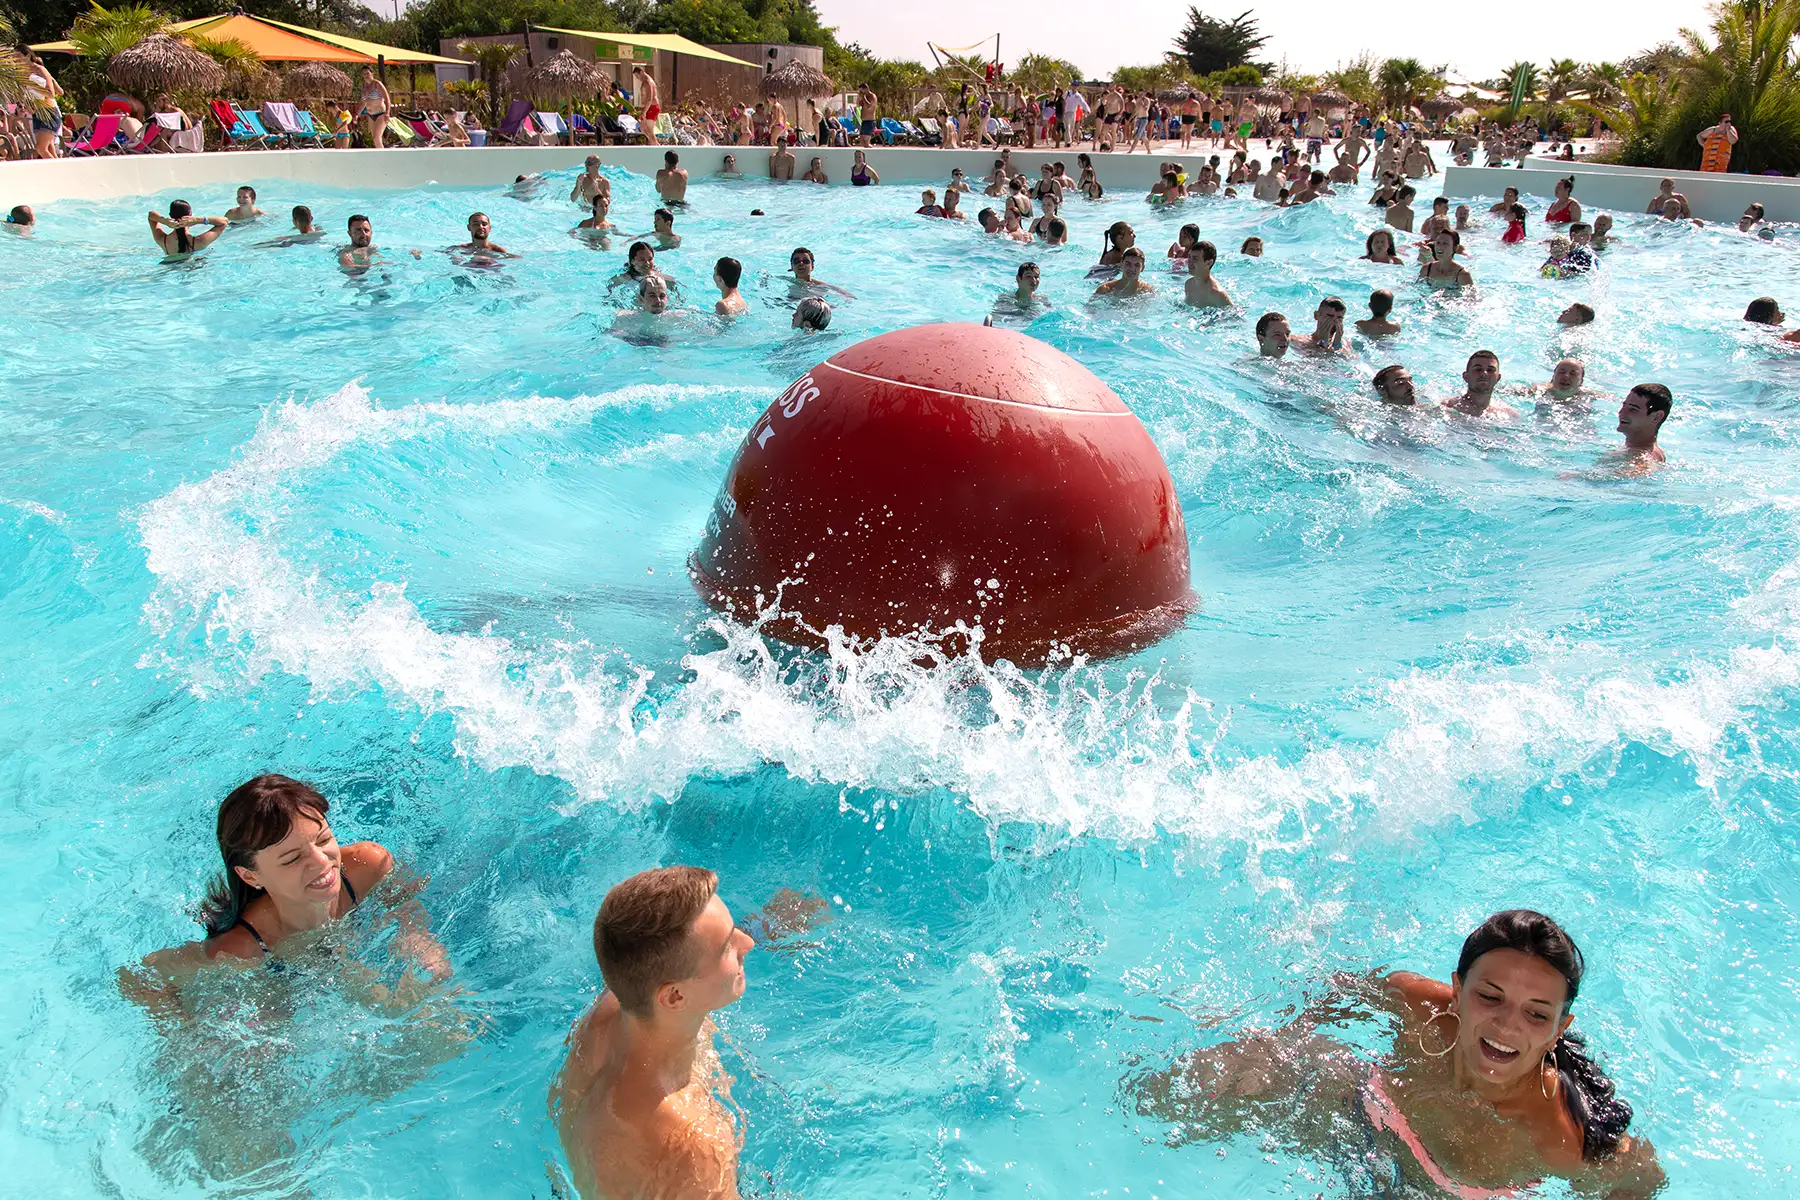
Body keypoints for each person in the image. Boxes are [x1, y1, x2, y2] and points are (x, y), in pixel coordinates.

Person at [1131, 910, 1665, 1199]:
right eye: (1490, 997)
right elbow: (1339, 989)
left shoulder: (1559, 1137)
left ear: (1558, 1030)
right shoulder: (1417, 1005)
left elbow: (1639, 1180)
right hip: (1359, 1120)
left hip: (1438, 1195)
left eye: (1535, 1014)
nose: (1507, 1026)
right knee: (1179, 1088)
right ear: (1456, 990)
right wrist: (1282, 1034)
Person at [121, 775, 447, 1015]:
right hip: (280, 977)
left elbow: (402, 897)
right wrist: (182, 1028)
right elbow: (140, 975)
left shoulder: (368, 865)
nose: (322, 862)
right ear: (251, 876)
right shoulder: (242, 949)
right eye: (292, 859)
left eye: (323, 840)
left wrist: (416, 934)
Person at [1443, 349, 1515, 417]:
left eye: (1490, 370)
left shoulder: (1508, 414)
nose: (1484, 373)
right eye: (1478, 369)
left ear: (1498, 378)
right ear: (1466, 376)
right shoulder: (1447, 406)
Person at [1617, 384, 1672, 468]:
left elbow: (1638, 471)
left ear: (1656, 417)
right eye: (1624, 405)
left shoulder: (1641, 460)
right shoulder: (1637, 451)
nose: (1621, 412)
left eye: (1633, 409)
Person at [147, 200, 227, 257]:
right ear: (190, 215)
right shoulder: (199, 242)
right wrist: (198, 219)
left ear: (170, 215)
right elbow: (224, 222)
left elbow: (151, 215)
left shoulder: (163, 241)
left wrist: (164, 221)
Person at [24, 53, 66, 161]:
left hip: (49, 111)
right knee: (49, 149)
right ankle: (60, 169)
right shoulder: (24, 74)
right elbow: (60, 91)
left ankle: (59, 169)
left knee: (41, 148)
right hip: (38, 112)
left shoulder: (40, 71)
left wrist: (33, 84)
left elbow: (54, 93)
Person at [449, 211, 515, 263]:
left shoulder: (499, 251)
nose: (481, 227)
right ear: (469, 227)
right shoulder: (461, 248)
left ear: (489, 228)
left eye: (484, 224)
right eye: (476, 224)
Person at [1183, 241, 1230, 308]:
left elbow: (1234, 313)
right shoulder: (1188, 284)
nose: (1189, 262)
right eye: (1189, 257)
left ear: (1208, 263)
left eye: (1195, 258)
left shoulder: (1217, 294)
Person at [356, 66, 391, 148]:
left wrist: (387, 113)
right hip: (371, 115)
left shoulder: (377, 84)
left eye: (367, 73)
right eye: (364, 74)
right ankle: (380, 153)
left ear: (372, 73)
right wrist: (357, 114)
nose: (366, 75)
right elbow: (363, 102)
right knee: (375, 139)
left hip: (381, 114)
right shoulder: (364, 86)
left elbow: (387, 99)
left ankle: (382, 155)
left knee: (376, 138)